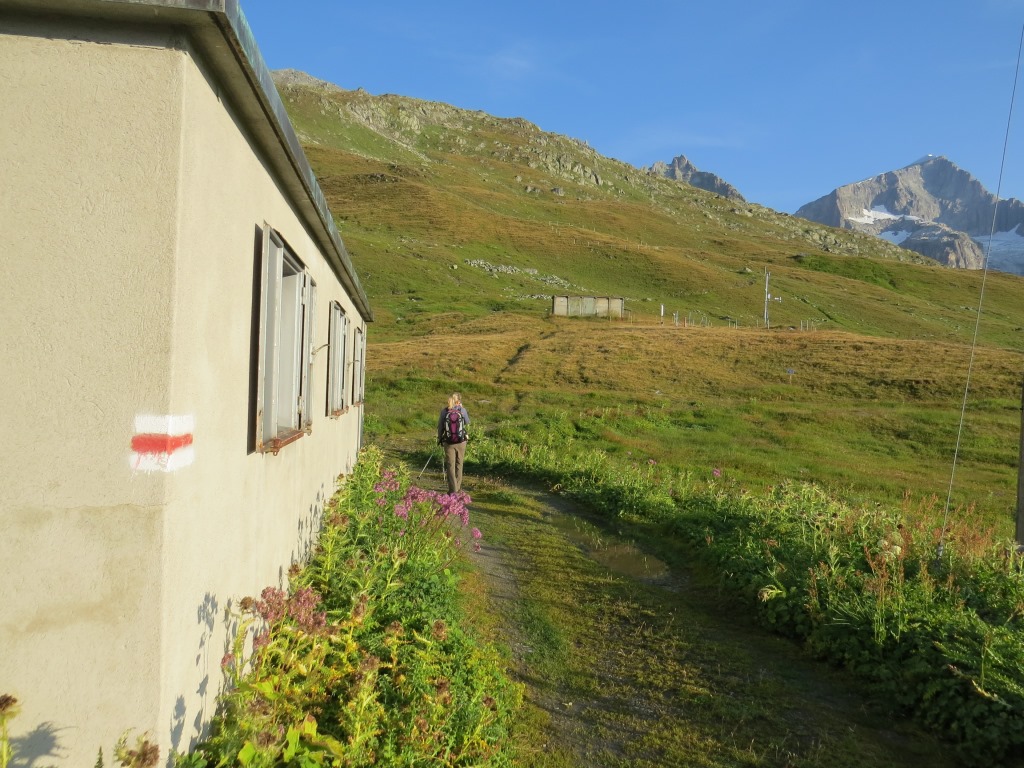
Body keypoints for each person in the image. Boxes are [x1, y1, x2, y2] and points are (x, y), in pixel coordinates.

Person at [437, 392, 470, 494]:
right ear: (458, 401)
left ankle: (453, 490)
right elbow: (467, 422)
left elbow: (440, 426)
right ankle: (458, 488)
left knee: (450, 465)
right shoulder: (462, 410)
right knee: (459, 464)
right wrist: (462, 410)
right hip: (461, 441)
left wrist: (439, 438)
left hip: (448, 442)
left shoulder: (444, 411)